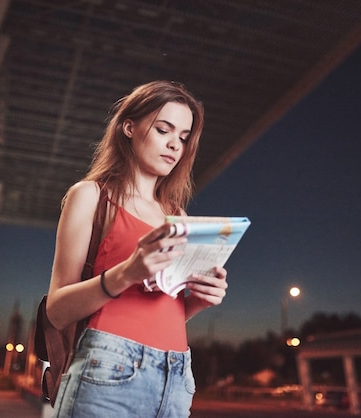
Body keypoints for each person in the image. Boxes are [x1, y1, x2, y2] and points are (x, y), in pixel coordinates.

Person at [45, 81, 228, 417]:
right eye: (163, 130)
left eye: (184, 137)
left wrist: (199, 300)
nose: (175, 145)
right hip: (107, 368)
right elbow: (56, 311)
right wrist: (128, 272)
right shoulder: (91, 196)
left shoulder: (178, 216)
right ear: (129, 127)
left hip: (176, 374)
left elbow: (158, 308)